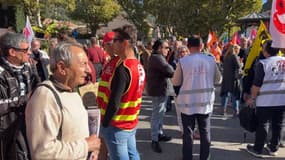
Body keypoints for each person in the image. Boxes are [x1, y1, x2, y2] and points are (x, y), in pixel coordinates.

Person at [25, 42, 101, 159]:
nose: (89, 70)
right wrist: (86, 146)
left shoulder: (72, 90)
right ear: (62, 68)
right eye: (83, 64)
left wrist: (91, 152)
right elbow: (43, 152)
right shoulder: (45, 96)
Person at [100, 25, 146, 160]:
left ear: (124, 43)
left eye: (115, 41)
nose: (112, 44)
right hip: (131, 122)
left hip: (117, 125)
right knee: (133, 155)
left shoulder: (123, 68)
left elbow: (114, 102)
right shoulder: (138, 65)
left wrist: (105, 124)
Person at [172, 36, 222, 160]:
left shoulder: (183, 62)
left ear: (188, 47)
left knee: (188, 133)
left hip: (187, 104)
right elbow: (218, 79)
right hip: (205, 103)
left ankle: (187, 158)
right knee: (205, 132)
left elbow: (176, 82)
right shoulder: (211, 60)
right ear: (201, 46)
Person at [0, 32, 40, 160]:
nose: (29, 52)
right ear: (12, 52)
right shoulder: (1, 73)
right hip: (7, 130)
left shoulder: (28, 67)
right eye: (25, 50)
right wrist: (23, 100)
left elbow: (37, 87)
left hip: (29, 124)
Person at [246, 39, 285, 158]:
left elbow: (257, 84)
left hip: (265, 100)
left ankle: (258, 148)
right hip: (282, 99)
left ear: (266, 51)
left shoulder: (263, 64)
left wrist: (252, 98)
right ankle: (273, 148)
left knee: (263, 124)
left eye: (263, 48)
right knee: (278, 124)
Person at [147, 39, 174, 153]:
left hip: (160, 90)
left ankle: (159, 134)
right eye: (166, 47)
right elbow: (169, 70)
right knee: (157, 115)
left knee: (160, 114)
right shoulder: (157, 58)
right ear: (159, 48)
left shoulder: (157, 57)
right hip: (158, 90)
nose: (168, 50)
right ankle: (154, 139)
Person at [96, 31, 120, 160]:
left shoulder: (118, 63)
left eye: (105, 45)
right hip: (104, 109)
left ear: (112, 45)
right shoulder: (111, 61)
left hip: (110, 113)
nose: (104, 48)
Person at [220, 44, 242, 117]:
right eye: (238, 50)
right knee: (235, 95)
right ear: (236, 50)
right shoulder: (234, 56)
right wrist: (241, 63)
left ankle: (223, 110)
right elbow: (238, 66)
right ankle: (236, 111)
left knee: (225, 94)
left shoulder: (226, 56)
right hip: (233, 78)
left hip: (226, 78)